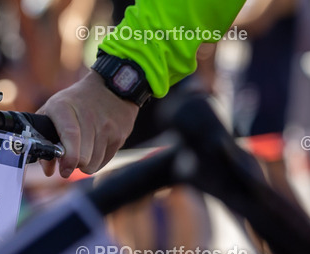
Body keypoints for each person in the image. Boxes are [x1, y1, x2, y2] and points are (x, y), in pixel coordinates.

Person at [36, 0, 246, 177]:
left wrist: (114, 83)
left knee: (175, 179)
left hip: (155, 85)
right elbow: (80, 13)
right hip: (133, 88)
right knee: (124, 181)